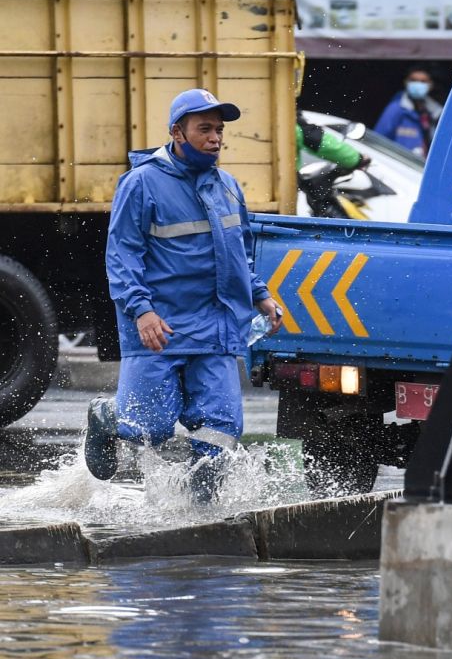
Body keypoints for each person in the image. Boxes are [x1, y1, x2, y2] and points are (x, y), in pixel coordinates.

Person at [84, 88, 282, 501]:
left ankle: (199, 517)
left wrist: (259, 295)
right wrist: (141, 311)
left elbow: (238, 251)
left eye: (220, 130)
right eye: (204, 129)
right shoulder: (141, 184)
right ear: (177, 132)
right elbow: (122, 255)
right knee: (147, 427)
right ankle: (106, 417)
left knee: (220, 430)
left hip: (215, 326)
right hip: (161, 324)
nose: (215, 138)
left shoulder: (227, 186)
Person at [373, 67, 441, 157]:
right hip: (399, 164)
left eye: (423, 82)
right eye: (414, 80)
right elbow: (378, 139)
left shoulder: (435, 113)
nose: (418, 85)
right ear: (406, 82)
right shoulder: (396, 109)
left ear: (430, 85)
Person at [296, 110, 370, 172]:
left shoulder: (288, 116)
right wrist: (357, 159)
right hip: (287, 183)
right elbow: (320, 142)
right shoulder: (288, 119)